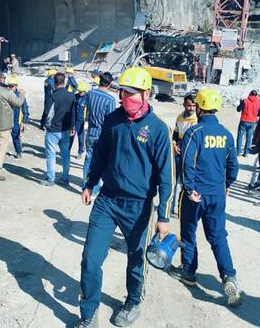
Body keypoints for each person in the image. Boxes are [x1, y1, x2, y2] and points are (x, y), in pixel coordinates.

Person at [78, 67, 174, 328]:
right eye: (123, 92)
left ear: (146, 93)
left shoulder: (158, 129)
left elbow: (167, 177)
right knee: (90, 258)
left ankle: (133, 301)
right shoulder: (113, 120)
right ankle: (88, 313)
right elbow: (100, 154)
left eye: (132, 93)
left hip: (138, 206)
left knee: (136, 258)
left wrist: (164, 217)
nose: (126, 98)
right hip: (107, 200)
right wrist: (90, 182)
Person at [168, 89, 241, 307]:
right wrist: (226, 185)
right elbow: (233, 167)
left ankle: (189, 272)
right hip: (217, 195)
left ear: (199, 107)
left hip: (195, 195)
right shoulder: (226, 134)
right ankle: (228, 276)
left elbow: (186, 162)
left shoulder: (195, 132)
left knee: (189, 233)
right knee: (218, 237)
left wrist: (189, 188)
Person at [82, 72, 116, 196]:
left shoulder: (90, 93)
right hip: (102, 134)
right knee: (100, 162)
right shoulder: (110, 100)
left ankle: (85, 186)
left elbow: (85, 107)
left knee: (88, 158)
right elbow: (111, 120)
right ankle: (94, 189)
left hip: (90, 131)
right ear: (110, 84)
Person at [42, 72, 77, 186]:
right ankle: (65, 178)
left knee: (51, 155)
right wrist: (72, 127)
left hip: (53, 130)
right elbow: (73, 113)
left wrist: (43, 124)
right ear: (65, 81)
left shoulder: (52, 96)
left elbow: (47, 113)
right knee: (65, 154)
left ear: (54, 82)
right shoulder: (71, 96)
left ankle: (50, 179)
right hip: (66, 130)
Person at [172, 94, 198, 216]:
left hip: (189, 155)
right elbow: (176, 134)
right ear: (184, 105)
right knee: (173, 181)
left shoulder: (196, 119)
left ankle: (181, 207)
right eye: (189, 105)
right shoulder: (179, 117)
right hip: (178, 151)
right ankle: (171, 207)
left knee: (185, 182)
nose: (191, 108)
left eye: (194, 105)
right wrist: (174, 145)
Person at [7, 76, 29, 159]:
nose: (10, 88)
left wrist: (24, 121)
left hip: (16, 121)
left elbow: (25, 109)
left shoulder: (20, 96)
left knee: (16, 137)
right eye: (9, 86)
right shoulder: (6, 94)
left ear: (16, 86)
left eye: (12, 86)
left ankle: (19, 151)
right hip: (6, 120)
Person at [235, 90, 260, 157]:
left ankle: (238, 152)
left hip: (244, 120)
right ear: (256, 95)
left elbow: (238, 109)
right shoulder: (259, 103)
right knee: (249, 138)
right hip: (252, 122)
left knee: (240, 136)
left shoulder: (245, 101)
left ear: (250, 94)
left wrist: (240, 103)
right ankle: (246, 153)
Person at [70, 80, 90, 158]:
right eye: (79, 91)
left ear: (85, 91)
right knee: (71, 136)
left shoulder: (88, 99)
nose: (79, 93)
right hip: (74, 120)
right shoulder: (75, 96)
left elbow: (89, 110)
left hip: (82, 122)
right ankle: (67, 151)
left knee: (81, 138)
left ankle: (80, 152)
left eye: (81, 92)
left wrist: (86, 121)